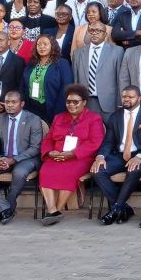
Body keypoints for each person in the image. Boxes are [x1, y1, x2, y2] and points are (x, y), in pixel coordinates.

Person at [37, 84, 105, 226]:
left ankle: (58, 210)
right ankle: (52, 210)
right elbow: (48, 139)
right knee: (44, 171)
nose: (71, 105)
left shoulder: (94, 118)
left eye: (75, 102)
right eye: (68, 102)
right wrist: (50, 152)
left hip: (81, 158)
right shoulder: (59, 118)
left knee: (68, 172)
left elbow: (95, 142)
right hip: (57, 156)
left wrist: (72, 154)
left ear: (84, 102)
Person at [91, 86, 141, 225]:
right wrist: (100, 157)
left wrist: (139, 157)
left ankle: (116, 208)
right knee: (97, 171)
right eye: (124, 97)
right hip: (119, 155)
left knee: (133, 170)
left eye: (131, 97)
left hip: (139, 156)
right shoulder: (115, 116)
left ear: (139, 99)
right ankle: (123, 208)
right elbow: (109, 142)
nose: (126, 99)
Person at [0, 91, 44, 224]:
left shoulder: (33, 119)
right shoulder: (0, 118)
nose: (10, 105)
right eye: (7, 102)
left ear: (22, 104)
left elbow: (35, 148)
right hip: (3, 158)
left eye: (14, 102)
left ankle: (8, 205)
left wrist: (13, 160)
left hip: (26, 159)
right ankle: (4, 209)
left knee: (19, 172)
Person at [72, 22, 124, 121]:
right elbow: (76, 81)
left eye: (98, 31)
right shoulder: (78, 53)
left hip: (109, 103)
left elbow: (120, 79)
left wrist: (120, 103)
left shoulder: (117, 51)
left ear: (105, 34)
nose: (94, 33)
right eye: (91, 30)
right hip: (86, 102)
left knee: (109, 130)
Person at [23, 35, 74, 123]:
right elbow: (23, 85)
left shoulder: (62, 63)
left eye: (45, 44)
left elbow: (66, 88)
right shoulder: (32, 63)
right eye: (39, 44)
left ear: (52, 46)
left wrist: (58, 114)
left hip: (51, 109)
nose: (41, 47)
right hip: (31, 108)